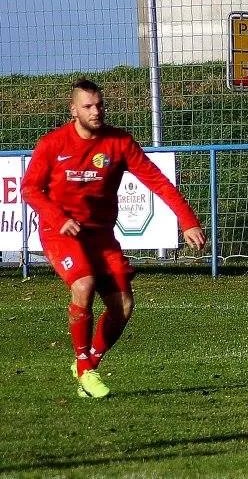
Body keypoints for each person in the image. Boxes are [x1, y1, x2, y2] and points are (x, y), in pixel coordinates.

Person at [20, 78, 207, 399]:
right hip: (61, 231)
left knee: (123, 305)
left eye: (99, 105)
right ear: (73, 110)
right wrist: (58, 218)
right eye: (88, 106)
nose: (96, 111)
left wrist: (187, 221)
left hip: (101, 235)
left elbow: (158, 181)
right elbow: (29, 189)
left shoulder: (119, 142)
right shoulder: (53, 144)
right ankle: (85, 369)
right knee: (84, 285)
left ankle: (88, 363)